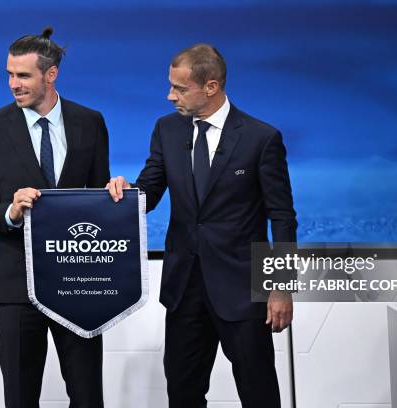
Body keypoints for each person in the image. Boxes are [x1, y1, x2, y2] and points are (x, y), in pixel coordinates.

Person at [107, 44, 297, 408]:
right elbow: (148, 191)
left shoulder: (261, 138)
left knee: (259, 393)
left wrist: (280, 289)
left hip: (242, 289)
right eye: (171, 86)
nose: (169, 95)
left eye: (179, 88)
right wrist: (123, 192)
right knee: (182, 392)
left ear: (211, 87)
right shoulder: (166, 130)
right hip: (185, 287)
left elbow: (282, 217)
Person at [0, 27, 109, 408]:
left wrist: (115, 193)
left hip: (80, 283)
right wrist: (9, 211)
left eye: (23, 75)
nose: (13, 84)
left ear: (51, 74)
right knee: (21, 397)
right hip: (16, 287)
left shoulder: (90, 122)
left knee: (88, 394)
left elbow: (96, 199)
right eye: (9, 74)